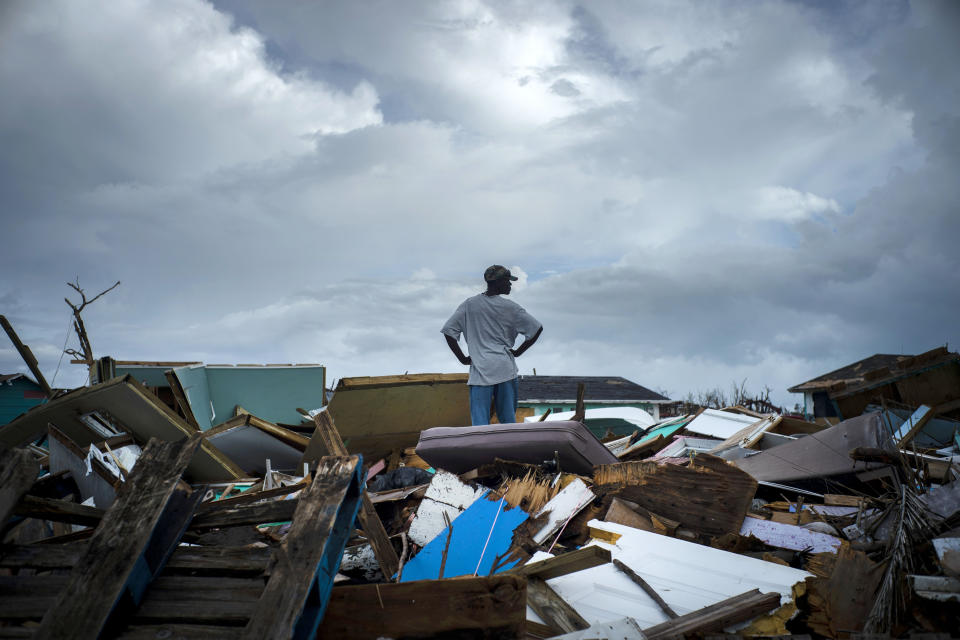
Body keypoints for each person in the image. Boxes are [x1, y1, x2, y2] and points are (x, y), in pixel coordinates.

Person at [442, 264, 543, 425]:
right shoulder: (511, 308)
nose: (510, 285)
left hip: (480, 370)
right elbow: (537, 328)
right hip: (504, 369)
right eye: (508, 281)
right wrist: (518, 352)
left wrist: (462, 358)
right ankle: (508, 449)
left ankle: (482, 449)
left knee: (480, 423)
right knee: (507, 420)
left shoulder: (469, 304)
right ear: (498, 282)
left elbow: (449, 331)